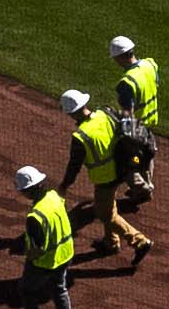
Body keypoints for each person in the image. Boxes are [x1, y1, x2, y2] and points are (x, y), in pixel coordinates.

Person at [63, 88, 152, 256]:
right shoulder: (106, 113)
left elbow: (73, 167)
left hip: (105, 178)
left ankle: (140, 241)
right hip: (123, 169)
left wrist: (63, 186)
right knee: (107, 205)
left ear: (71, 114)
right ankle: (110, 242)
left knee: (105, 215)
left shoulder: (80, 136)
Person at [7, 161, 79, 309]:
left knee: (27, 290)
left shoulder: (35, 217)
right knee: (59, 290)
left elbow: (38, 248)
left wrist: (28, 257)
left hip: (44, 262)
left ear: (27, 191)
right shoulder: (55, 197)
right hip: (65, 254)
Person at [112, 36, 164, 214]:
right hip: (149, 124)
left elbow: (128, 114)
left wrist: (127, 137)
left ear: (119, 57)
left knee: (129, 161)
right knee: (148, 155)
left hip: (136, 129)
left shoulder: (127, 83)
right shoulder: (150, 65)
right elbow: (155, 83)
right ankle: (147, 182)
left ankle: (141, 190)